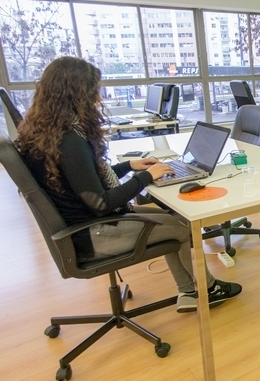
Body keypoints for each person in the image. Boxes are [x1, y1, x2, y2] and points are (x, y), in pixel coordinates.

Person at [15, 56, 241, 313]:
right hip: (93, 233)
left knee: (179, 219)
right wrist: (146, 177)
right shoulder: (71, 141)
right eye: (94, 91)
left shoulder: (49, 131)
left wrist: (129, 166)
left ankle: (190, 291)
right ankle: (207, 290)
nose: (98, 98)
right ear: (77, 94)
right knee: (182, 228)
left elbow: (83, 179)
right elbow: (101, 203)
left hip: (82, 226)